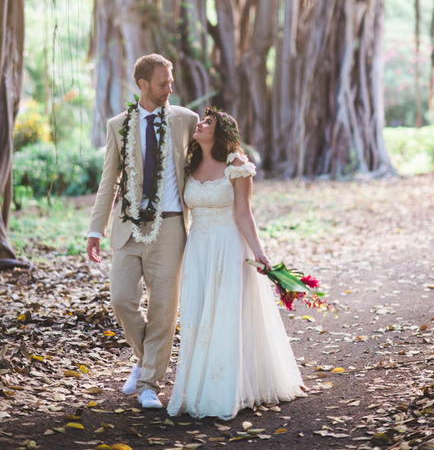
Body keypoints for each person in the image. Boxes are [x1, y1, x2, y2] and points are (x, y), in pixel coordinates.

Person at [167, 107, 306, 420]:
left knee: (228, 315)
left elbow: (243, 213)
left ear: (220, 132)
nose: (199, 124)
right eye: (201, 121)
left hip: (229, 246)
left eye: (207, 122)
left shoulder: (237, 165)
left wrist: (260, 252)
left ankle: (226, 389)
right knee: (199, 315)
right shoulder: (189, 165)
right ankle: (198, 385)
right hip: (199, 248)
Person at [86, 54, 198, 409]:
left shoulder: (186, 120)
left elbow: (207, 161)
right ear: (143, 85)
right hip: (128, 228)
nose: (170, 89)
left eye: (171, 82)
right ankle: (144, 357)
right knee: (121, 298)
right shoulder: (118, 124)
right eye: (163, 83)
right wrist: (95, 229)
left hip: (170, 226)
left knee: (164, 309)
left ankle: (149, 383)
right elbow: (109, 181)